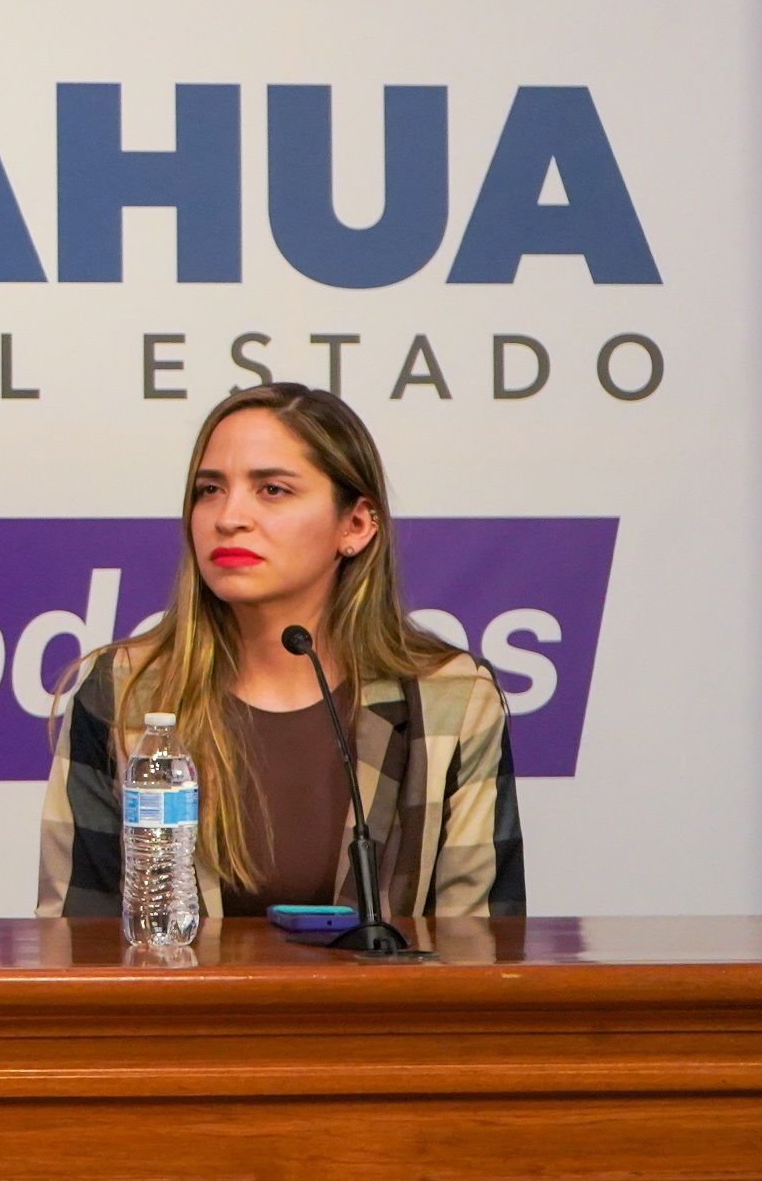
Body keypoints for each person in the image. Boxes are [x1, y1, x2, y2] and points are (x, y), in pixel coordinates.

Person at [37, 383, 524, 921]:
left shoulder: (451, 698)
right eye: (209, 490)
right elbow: (78, 938)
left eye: (272, 490)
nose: (229, 518)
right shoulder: (125, 690)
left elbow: (479, 942)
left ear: (356, 524)